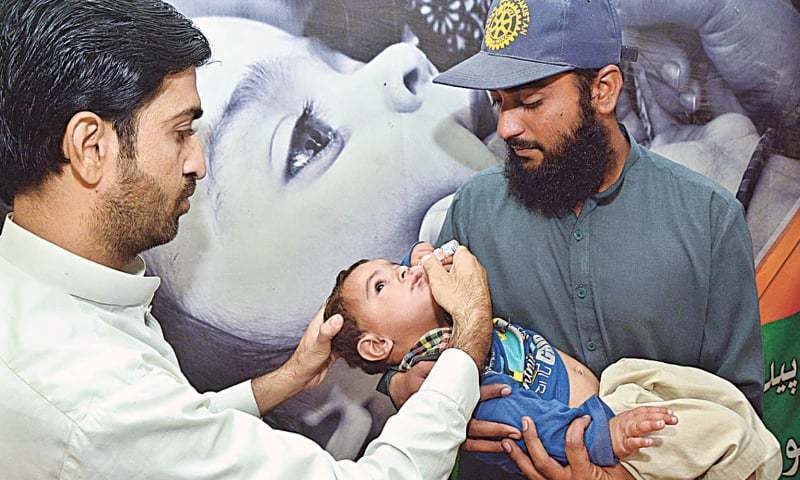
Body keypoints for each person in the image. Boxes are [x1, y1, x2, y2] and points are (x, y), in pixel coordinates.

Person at [0, 1, 498, 478]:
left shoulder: (44, 303)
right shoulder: (96, 399)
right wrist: (468, 337)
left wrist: (286, 378)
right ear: (91, 148)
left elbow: (170, 439)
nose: (196, 163)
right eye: (180, 132)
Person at [385, 0, 765, 478]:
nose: (506, 127)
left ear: (603, 90)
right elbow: (414, 335)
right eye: (499, 102)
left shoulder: (708, 219)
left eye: (530, 102)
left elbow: (740, 418)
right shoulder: (475, 210)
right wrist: (402, 386)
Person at [322, 255, 780, 479]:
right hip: (598, 442)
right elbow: (523, 424)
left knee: (713, 398)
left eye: (396, 265)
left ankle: (744, 429)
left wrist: (425, 260)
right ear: (376, 344)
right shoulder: (446, 379)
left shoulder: (452, 323)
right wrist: (605, 436)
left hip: (610, 397)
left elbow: (430, 254)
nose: (404, 270)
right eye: (381, 285)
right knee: (713, 433)